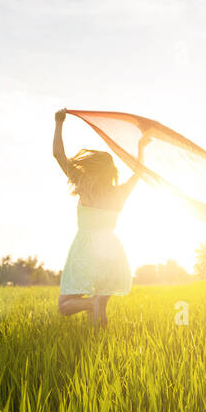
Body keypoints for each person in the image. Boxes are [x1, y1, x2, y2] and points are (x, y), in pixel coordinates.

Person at [52, 108, 147, 326]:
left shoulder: (84, 186)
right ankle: (99, 343)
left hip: (85, 250)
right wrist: (141, 147)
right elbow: (140, 171)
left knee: (65, 305)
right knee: (99, 307)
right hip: (112, 251)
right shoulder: (120, 193)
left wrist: (59, 122)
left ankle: (89, 305)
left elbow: (58, 154)